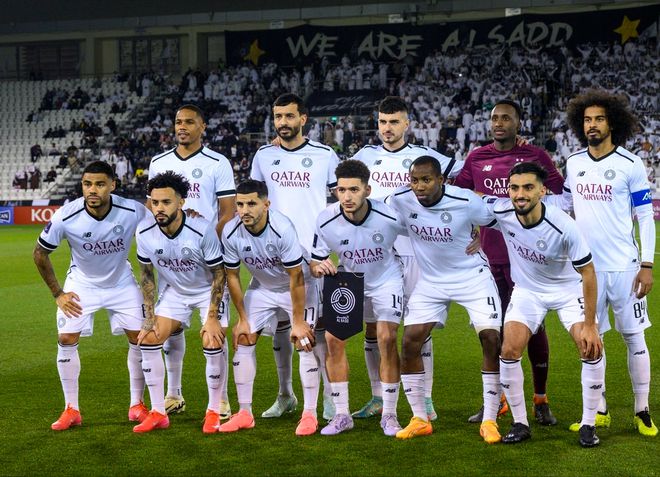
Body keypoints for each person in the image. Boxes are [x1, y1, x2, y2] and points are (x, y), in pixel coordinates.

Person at [454, 99, 565, 425]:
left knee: (534, 328)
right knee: (493, 330)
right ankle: (498, 400)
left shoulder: (535, 155)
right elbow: (458, 198)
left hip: (527, 260)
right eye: (494, 118)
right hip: (489, 259)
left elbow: (560, 193)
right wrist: (472, 229)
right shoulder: (477, 157)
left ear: (518, 123)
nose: (499, 123)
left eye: (506, 118)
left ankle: (540, 400)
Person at [351, 96, 459, 421]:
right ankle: (377, 397)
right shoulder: (364, 156)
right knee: (374, 328)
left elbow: (465, 176)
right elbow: (341, 183)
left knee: (418, 327)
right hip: (375, 252)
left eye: (394, 122)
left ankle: (425, 398)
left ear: (407, 124)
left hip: (414, 250)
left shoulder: (424, 157)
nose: (387, 128)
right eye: (383, 122)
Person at [483, 161, 604, 447]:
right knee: (509, 349)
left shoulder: (563, 225)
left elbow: (588, 273)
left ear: (542, 191)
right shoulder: (502, 212)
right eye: (514, 188)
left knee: (590, 347)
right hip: (528, 291)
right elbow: (469, 204)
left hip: (567, 290)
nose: (520, 194)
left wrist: (590, 325)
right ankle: (520, 423)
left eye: (528, 187)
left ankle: (588, 424)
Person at [387, 156, 502, 442]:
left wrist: (483, 237)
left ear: (441, 180)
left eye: (426, 180)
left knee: (491, 338)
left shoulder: (465, 200)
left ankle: (490, 419)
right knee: (410, 341)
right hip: (431, 281)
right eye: (414, 180)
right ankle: (419, 418)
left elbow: (499, 219)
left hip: (472, 276)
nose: (419, 186)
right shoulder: (399, 199)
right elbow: (375, 212)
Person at [564, 89, 657, 436]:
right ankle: (598, 410)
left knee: (634, 338)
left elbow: (645, 217)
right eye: (587, 119)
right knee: (591, 339)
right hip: (586, 270)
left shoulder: (630, 164)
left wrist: (646, 265)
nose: (592, 125)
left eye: (599, 119)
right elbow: (566, 208)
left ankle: (642, 410)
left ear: (612, 123)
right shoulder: (574, 162)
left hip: (624, 268)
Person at [33, 161, 149, 431]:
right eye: (87, 184)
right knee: (66, 338)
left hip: (121, 282)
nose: (92, 190)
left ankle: (137, 405)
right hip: (82, 283)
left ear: (113, 185)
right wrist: (58, 293)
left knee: (140, 338)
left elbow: (161, 227)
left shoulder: (133, 210)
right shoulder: (66, 215)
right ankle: (71, 409)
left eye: (99, 184)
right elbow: (39, 253)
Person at [250, 93, 339, 420]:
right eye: (278, 116)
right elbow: (253, 200)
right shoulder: (263, 155)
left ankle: (329, 397)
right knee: (281, 326)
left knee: (316, 331)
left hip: (312, 257)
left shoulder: (324, 155)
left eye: (289, 116)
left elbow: (338, 205)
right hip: (272, 256)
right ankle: (285, 395)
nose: (283, 122)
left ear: (303, 119)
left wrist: (326, 248)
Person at [148, 104, 236, 418]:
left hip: (208, 259)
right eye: (178, 122)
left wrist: (204, 237)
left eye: (189, 122)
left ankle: (221, 400)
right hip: (172, 260)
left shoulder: (217, 162)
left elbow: (228, 211)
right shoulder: (159, 161)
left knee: (214, 331)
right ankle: (173, 394)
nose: (182, 127)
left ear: (202, 127)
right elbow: (152, 207)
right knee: (170, 330)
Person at [218, 179, 320, 436]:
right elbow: (232, 276)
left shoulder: (281, 227)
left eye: (251, 204)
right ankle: (245, 413)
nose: (244, 210)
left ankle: (310, 414)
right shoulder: (231, 231)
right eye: (240, 204)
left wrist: (298, 322)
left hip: (298, 285)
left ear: (266, 204)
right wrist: (242, 318)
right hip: (262, 286)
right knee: (243, 337)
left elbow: (296, 276)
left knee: (304, 341)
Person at [311, 159, 405, 436]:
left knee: (387, 338)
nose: (347, 197)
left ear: (367, 190)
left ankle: (389, 415)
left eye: (354, 190)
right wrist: (319, 266)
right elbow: (315, 261)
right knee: (333, 340)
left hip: (386, 279)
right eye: (341, 190)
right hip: (350, 281)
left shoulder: (389, 216)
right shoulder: (326, 219)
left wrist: (471, 234)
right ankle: (342, 415)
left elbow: (422, 230)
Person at [134, 171, 227, 433]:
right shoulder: (144, 231)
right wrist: (149, 318)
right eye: (154, 202)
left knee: (212, 340)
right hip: (175, 292)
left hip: (207, 290)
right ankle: (158, 412)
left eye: (166, 202)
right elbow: (146, 277)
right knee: (148, 338)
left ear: (181, 202)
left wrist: (212, 317)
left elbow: (219, 274)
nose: (159, 208)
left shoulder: (201, 229)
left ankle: (213, 411)